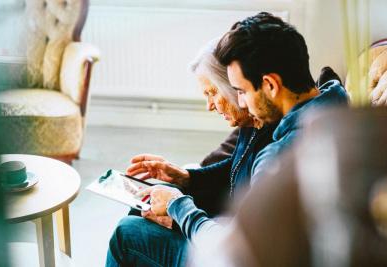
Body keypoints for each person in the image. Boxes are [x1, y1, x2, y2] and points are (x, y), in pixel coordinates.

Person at [106, 38, 278, 267]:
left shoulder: (273, 145)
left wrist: (177, 213)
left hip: (225, 251)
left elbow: (234, 245)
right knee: (146, 202)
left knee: (125, 234)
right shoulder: (253, 123)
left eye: (212, 92)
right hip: (221, 229)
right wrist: (184, 177)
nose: (209, 105)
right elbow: (235, 172)